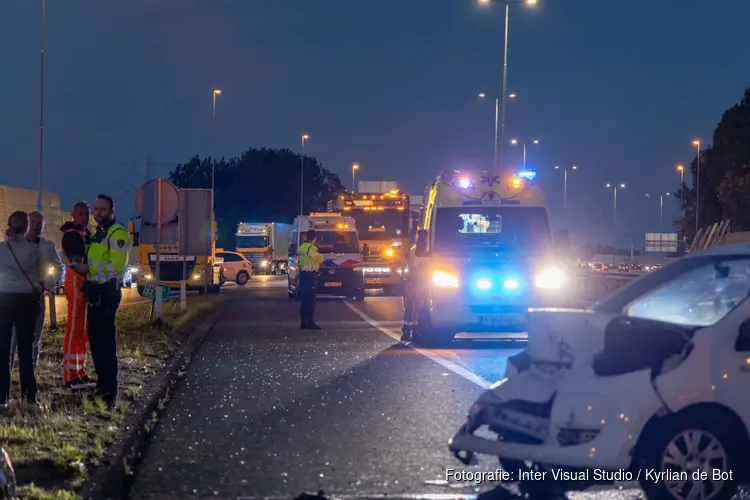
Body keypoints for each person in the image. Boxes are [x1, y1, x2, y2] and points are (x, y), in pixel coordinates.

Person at [69, 195, 131, 408]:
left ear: (112, 211)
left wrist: (89, 269)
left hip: (107, 293)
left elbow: (117, 267)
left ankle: (110, 393)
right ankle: (102, 386)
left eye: (102, 210)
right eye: (95, 209)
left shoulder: (118, 234)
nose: (97, 213)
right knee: (96, 343)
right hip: (95, 292)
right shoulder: (99, 235)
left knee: (106, 344)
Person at [0, 211, 46, 408]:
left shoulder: (2, 249)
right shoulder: (34, 251)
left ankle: (2, 396)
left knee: (2, 350)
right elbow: (43, 277)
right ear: (27, 227)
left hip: (4, 300)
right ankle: (29, 396)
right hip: (27, 301)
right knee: (26, 350)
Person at [9, 211, 63, 375]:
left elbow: (59, 268)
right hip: (14, 298)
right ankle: (5, 376)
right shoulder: (13, 245)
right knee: (11, 339)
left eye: (39, 224)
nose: (35, 226)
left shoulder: (47, 246)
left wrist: (49, 284)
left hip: (36, 297)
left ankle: (29, 376)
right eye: (32, 222)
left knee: (34, 339)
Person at [60, 202, 95, 390]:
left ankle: (80, 371)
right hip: (75, 283)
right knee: (75, 329)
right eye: (81, 213)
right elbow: (77, 259)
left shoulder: (87, 235)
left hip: (84, 284)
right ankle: (70, 376)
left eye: (87, 214)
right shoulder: (71, 236)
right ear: (73, 215)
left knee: (83, 331)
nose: (85, 217)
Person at [401, 229, 429, 342]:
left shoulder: (412, 249)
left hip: (411, 282)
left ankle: (407, 331)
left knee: (409, 307)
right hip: (422, 282)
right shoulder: (429, 250)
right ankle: (416, 331)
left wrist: (403, 276)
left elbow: (403, 263)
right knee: (419, 307)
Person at [296, 229, 323, 330]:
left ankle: (303, 323)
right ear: (314, 238)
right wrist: (320, 254)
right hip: (310, 276)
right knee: (311, 301)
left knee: (304, 301)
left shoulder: (301, 247)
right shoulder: (311, 248)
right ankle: (310, 323)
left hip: (303, 275)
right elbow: (319, 259)